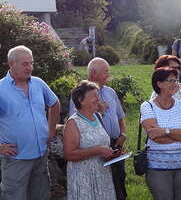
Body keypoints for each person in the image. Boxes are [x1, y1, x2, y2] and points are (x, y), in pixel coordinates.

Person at [0, 45, 60, 200]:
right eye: (25, 64)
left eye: (31, 63)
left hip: (40, 157)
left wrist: (51, 129)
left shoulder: (38, 83)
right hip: (16, 160)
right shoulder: (1, 89)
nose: (30, 68)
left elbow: (54, 103)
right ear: (11, 64)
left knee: (41, 196)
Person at [69, 58, 127, 200]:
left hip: (115, 144)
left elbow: (120, 116)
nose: (109, 75)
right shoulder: (80, 96)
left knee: (119, 182)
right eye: (105, 71)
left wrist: (122, 134)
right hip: (93, 149)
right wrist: (97, 110)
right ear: (94, 73)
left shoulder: (110, 92)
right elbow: (78, 121)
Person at [141, 67, 181, 200]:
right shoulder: (147, 106)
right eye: (171, 80)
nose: (175, 84)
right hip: (157, 167)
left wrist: (165, 131)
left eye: (176, 80)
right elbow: (155, 137)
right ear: (159, 84)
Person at [64, 80, 116, 200]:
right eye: (94, 96)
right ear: (81, 100)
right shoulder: (73, 123)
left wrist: (111, 154)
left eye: (98, 95)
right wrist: (97, 150)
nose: (98, 99)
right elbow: (69, 154)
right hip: (84, 178)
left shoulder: (97, 116)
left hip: (102, 175)